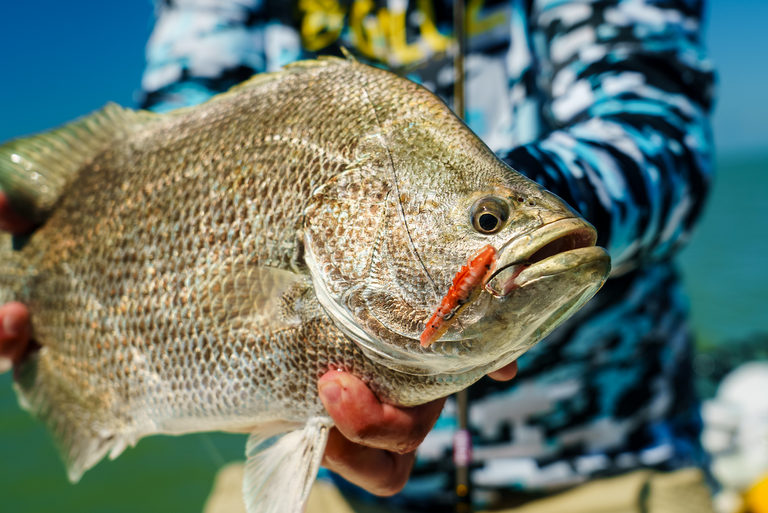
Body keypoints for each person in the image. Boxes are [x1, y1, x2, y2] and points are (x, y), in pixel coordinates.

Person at [0, 0, 717, 510]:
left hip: (606, 465)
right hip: (326, 493)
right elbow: (183, 126)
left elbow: (660, 133)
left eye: (487, 220)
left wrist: (524, 207)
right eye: (487, 220)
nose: (494, 232)